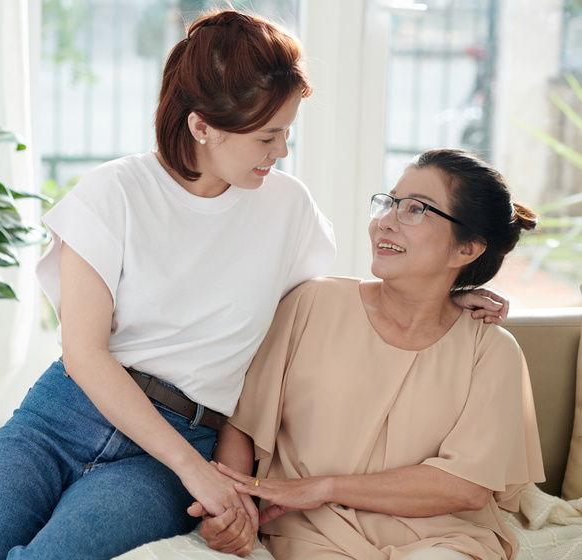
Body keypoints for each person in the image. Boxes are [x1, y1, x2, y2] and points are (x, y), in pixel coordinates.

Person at [0, 10, 509, 560]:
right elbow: (86, 355)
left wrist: (443, 288)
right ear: (202, 126)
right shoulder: (111, 193)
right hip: (63, 416)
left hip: (173, 447)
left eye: (287, 133)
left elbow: (326, 304)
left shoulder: (290, 209)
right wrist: (199, 476)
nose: (282, 152)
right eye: (268, 136)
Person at [200, 148, 543, 560]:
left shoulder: (491, 350)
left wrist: (322, 486)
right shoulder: (313, 303)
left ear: (466, 249)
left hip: (443, 539)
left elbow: (464, 487)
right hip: (311, 535)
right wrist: (235, 509)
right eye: (389, 202)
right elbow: (242, 424)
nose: (386, 221)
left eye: (416, 209)